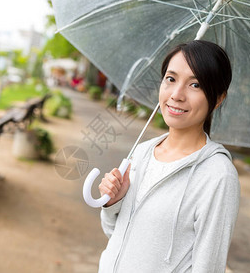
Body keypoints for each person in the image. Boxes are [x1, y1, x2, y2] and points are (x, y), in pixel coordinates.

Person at [98, 40, 240, 272]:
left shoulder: (218, 176)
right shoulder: (143, 151)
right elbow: (116, 236)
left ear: (219, 98)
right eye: (171, 79)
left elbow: (208, 267)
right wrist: (114, 202)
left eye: (195, 85)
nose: (176, 95)